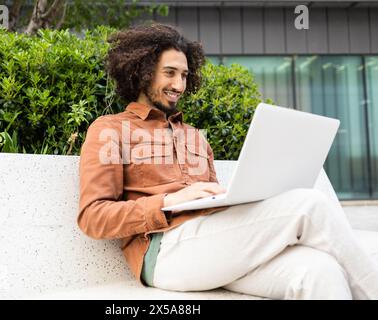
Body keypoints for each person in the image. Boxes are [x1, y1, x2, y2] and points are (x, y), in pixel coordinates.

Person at [78, 23, 378, 299]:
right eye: (169, 73)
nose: (179, 85)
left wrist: (242, 196)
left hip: (218, 243)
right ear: (141, 72)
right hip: (164, 251)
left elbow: (210, 203)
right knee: (310, 204)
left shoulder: (195, 136)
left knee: (319, 271)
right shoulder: (110, 130)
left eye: (183, 75)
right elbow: (93, 216)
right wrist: (168, 200)